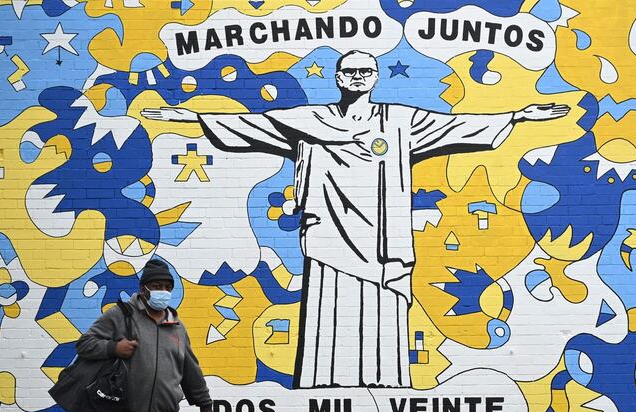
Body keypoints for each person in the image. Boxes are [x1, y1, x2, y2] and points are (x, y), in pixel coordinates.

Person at [141, 50, 570, 389]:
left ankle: (383, 380)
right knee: (331, 307)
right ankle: (325, 379)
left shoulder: (400, 121)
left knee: (381, 309)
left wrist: (515, 115)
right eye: (350, 72)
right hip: (329, 233)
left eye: (366, 71)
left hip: (382, 239)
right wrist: (189, 116)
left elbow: (453, 127)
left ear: (375, 77)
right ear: (338, 78)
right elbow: (253, 126)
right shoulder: (310, 120)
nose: (357, 78)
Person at [76, 259, 213, 412]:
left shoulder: (177, 326)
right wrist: (113, 348)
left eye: (167, 287)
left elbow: (189, 369)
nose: (162, 292)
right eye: (157, 286)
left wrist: (204, 402)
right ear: (143, 288)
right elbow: (84, 344)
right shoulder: (121, 315)